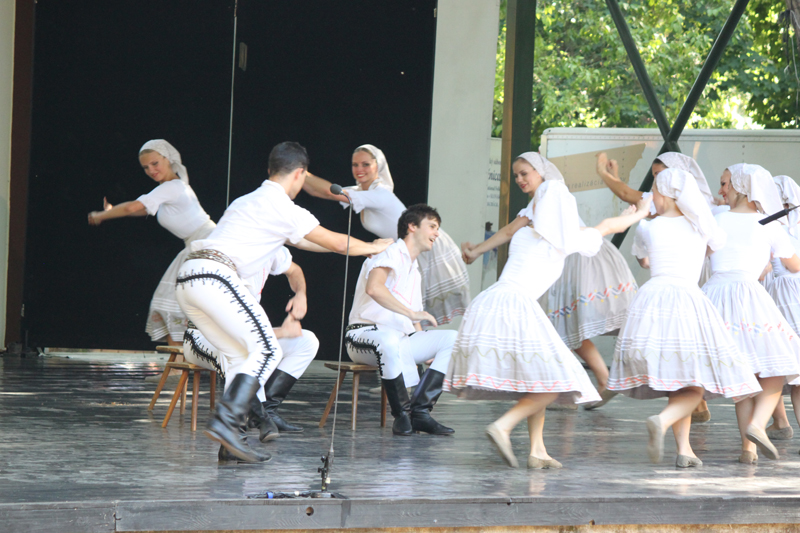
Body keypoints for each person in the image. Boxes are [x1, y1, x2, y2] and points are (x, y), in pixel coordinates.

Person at [175, 142, 391, 463]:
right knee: (268, 349)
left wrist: (355, 247)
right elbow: (333, 241)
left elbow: (308, 242)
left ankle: (231, 442)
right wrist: (373, 247)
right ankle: (225, 421)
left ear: (270, 170)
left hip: (189, 278)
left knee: (239, 355)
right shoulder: (282, 206)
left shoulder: (247, 201)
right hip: (215, 276)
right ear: (300, 174)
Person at [446, 152, 650, 469]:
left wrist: (475, 251)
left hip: (498, 301)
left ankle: (538, 450)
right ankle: (504, 425)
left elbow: (508, 232)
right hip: (515, 304)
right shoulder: (558, 233)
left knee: (539, 377)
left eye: (524, 174)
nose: (519, 180)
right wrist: (642, 212)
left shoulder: (537, 229)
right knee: (556, 380)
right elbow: (608, 225)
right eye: (517, 175)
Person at [609, 167, 762, 467]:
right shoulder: (702, 226)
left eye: (655, 191)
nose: (652, 196)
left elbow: (645, 261)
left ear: (665, 194)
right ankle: (664, 420)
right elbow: (714, 247)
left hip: (653, 301)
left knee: (678, 381)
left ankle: (684, 450)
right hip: (687, 301)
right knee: (694, 383)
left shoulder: (648, 227)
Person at [596, 151, 719, 423]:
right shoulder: (694, 212)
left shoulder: (666, 207)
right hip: (683, 286)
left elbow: (628, 196)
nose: (654, 183)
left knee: (672, 346)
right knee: (683, 347)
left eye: (657, 176)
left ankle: (685, 403)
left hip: (671, 286)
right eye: (654, 177)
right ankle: (688, 404)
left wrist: (604, 174)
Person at [303, 144, 470, 325]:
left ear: (378, 166)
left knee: (413, 309)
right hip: (406, 250)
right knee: (405, 309)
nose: (359, 169)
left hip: (427, 245)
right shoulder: (361, 191)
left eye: (366, 164)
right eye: (355, 164)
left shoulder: (380, 193)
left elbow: (329, 192)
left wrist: (299, 170)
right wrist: (294, 173)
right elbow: (317, 191)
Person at [182, 246, 320, 463]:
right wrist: (281, 332)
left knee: (307, 341)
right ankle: (245, 431)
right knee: (236, 352)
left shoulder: (271, 248)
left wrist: (300, 294)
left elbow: (294, 270)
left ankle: (267, 411)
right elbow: (230, 331)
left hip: (244, 336)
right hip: (202, 337)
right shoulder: (227, 253)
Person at [701, 163, 800, 463]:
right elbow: (794, 266)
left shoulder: (716, 218)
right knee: (779, 367)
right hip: (748, 297)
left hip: (715, 296)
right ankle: (757, 424)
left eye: (725, 184)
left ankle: (749, 450)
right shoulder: (768, 225)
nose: (721, 190)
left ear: (741, 186)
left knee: (743, 377)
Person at [88, 140, 215, 345]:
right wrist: (112, 211)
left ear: (168, 159)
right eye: (146, 167)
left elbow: (132, 207)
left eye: (155, 163)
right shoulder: (172, 187)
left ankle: (179, 361)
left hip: (204, 244)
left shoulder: (171, 187)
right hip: (201, 244)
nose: (151, 170)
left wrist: (100, 215)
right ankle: (181, 359)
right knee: (178, 302)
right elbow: (140, 210)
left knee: (173, 300)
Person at [345, 204, 457, 436]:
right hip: (362, 335)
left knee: (452, 339)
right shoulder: (389, 253)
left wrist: (427, 348)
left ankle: (421, 413)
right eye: (432, 226)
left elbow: (413, 318)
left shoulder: (414, 269)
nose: (437, 233)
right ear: (412, 226)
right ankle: (402, 415)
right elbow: (374, 288)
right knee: (388, 340)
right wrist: (412, 314)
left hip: (400, 339)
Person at [538, 159, 641, 409]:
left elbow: (567, 233)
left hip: (573, 262)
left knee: (558, 327)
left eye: (524, 174)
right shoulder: (551, 197)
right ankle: (599, 380)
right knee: (564, 328)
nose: (520, 180)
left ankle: (573, 390)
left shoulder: (550, 197)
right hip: (573, 260)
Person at [766, 174, 800, 441]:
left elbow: (792, 265)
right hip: (784, 292)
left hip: (785, 293)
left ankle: (780, 422)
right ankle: (780, 421)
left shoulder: (772, 227)